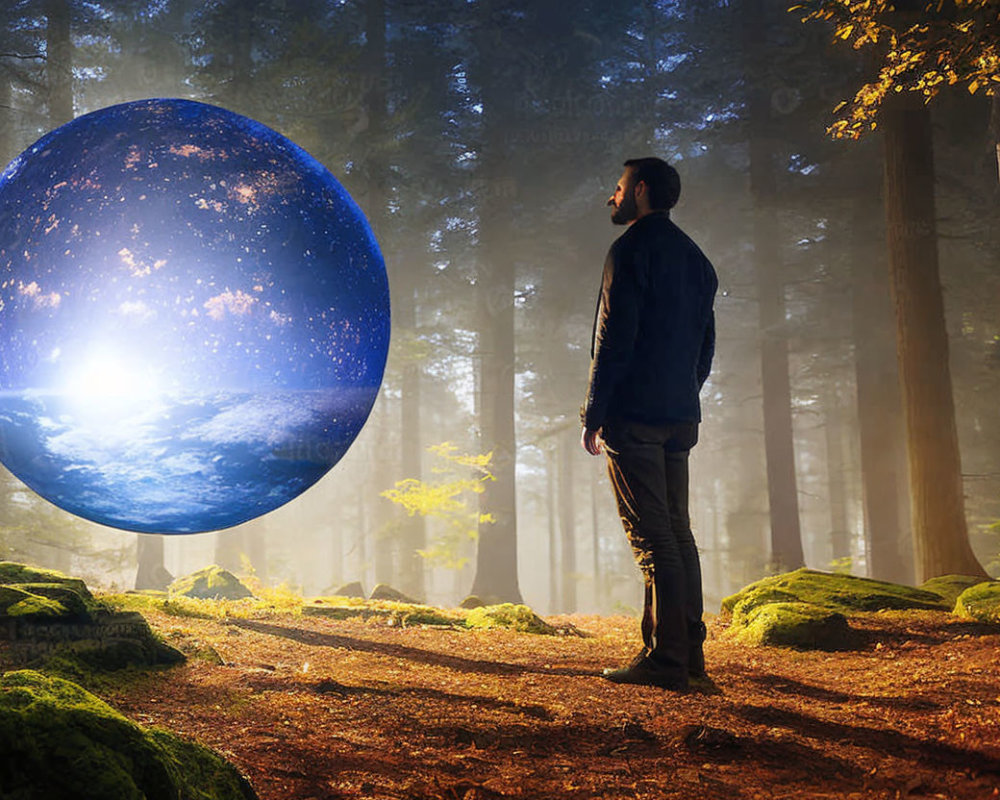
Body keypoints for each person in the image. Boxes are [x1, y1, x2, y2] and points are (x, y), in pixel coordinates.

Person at [581, 157, 717, 691]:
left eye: (617, 188)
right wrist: (684, 393)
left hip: (634, 415)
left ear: (640, 190)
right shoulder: (696, 259)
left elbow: (613, 340)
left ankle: (665, 661)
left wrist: (594, 413)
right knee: (677, 534)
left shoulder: (630, 250)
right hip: (680, 416)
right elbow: (706, 345)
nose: (610, 198)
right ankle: (688, 659)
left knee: (653, 537)